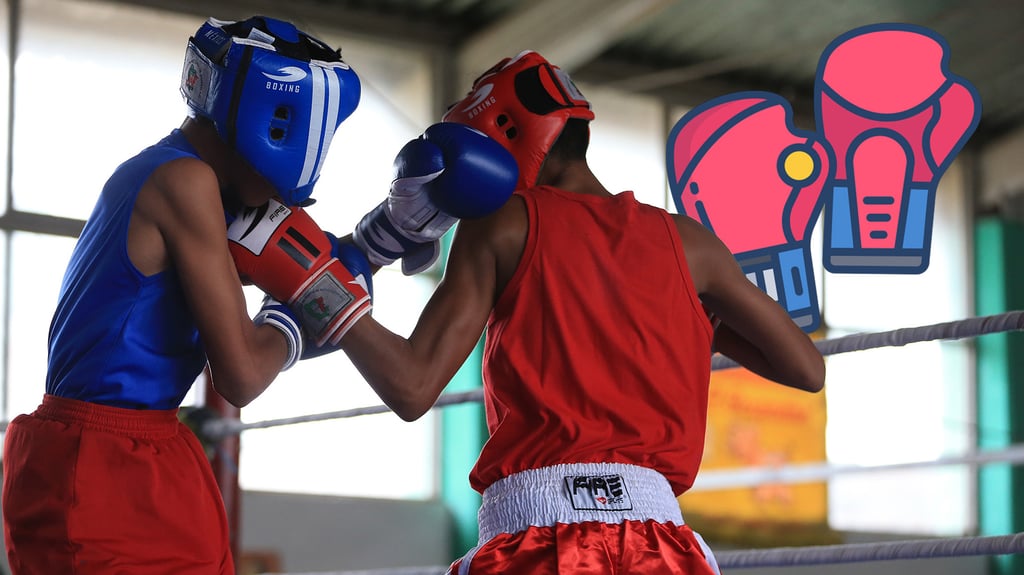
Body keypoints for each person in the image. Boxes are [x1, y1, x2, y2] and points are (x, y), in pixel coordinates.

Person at [333, 50, 827, 574]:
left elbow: (412, 387)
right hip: (665, 549)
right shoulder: (690, 244)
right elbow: (807, 368)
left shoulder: (502, 224)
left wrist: (314, 285)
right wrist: (683, 312)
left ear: (505, 134)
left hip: (538, 539)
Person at [1, 16, 368, 575]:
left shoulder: (170, 175)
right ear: (276, 124)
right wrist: (291, 321)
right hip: (101, 464)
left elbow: (296, 272)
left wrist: (376, 241)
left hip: (145, 448)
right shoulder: (184, 185)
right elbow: (242, 375)